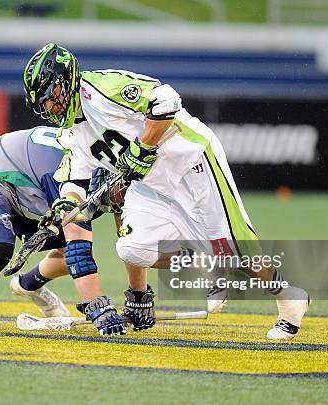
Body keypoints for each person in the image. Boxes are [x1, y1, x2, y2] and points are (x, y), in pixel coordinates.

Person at [23, 43, 310, 340]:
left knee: (237, 250)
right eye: (42, 103)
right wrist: (64, 206)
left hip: (191, 162)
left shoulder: (101, 88)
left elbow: (166, 99)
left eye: (51, 96)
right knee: (133, 248)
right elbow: (74, 182)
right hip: (151, 185)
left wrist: (144, 147)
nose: (48, 107)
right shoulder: (70, 132)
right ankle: (207, 259)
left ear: (67, 79)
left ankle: (290, 299)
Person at [0, 126, 126, 336]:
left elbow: (128, 241)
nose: (124, 193)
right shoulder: (69, 175)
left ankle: (28, 284)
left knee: (69, 243)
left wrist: (139, 296)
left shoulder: (100, 170)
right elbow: (79, 252)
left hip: (31, 178)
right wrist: (97, 307)